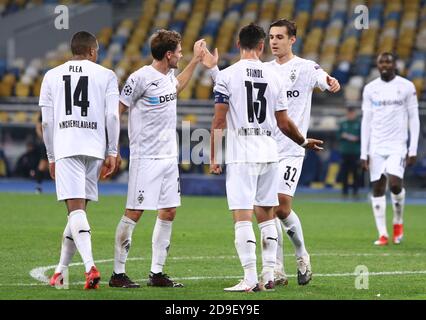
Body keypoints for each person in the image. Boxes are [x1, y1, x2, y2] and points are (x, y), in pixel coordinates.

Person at [203, 19, 340, 286]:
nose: (275, 41)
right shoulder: (265, 71)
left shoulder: (304, 67)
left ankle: (301, 255)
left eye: (280, 37)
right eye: (272, 37)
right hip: (267, 148)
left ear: (292, 40)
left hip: (290, 148)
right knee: (264, 209)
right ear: (264, 43)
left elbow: (321, 76)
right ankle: (276, 269)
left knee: (279, 205)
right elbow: (231, 86)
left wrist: (329, 80)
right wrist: (212, 69)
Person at [109, 30, 206, 288]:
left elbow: (177, 87)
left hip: (168, 157)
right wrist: (114, 148)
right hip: (145, 157)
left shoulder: (169, 76)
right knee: (135, 211)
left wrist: (196, 61)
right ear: (168, 54)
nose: (182, 55)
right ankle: (118, 274)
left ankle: (157, 273)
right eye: (180, 52)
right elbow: (118, 110)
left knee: (169, 211)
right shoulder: (140, 78)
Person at [39, 31, 120, 289]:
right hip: (94, 148)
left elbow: (47, 121)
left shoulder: (51, 76)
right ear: (93, 51)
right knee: (78, 212)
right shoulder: (107, 75)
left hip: (66, 147)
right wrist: (113, 151)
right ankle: (60, 270)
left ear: (72, 50)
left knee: (75, 211)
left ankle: (89, 267)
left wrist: (51, 156)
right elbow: (113, 117)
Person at [361, 52, 420, 246]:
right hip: (376, 146)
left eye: (388, 62)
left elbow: (414, 118)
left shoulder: (406, 87)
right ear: (377, 66)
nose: (384, 65)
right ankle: (383, 234)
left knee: (395, 184)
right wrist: (364, 152)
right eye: (381, 62)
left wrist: (412, 149)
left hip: (398, 145)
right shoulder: (370, 89)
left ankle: (398, 221)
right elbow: (366, 121)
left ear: (395, 65)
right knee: (377, 187)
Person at [338, 107, 361, 197]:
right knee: (344, 172)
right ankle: (344, 191)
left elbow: (362, 136)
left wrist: (356, 138)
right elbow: (338, 135)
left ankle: (355, 191)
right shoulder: (343, 123)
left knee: (355, 172)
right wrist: (343, 136)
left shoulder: (358, 124)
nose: (350, 115)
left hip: (355, 152)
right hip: (345, 152)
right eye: (349, 113)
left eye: (352, 113)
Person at [34, 111, 49, 193]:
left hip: (59, 142)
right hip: (47, 143)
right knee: (43, 164)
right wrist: (44, 138)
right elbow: (38, 127)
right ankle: (38, 186)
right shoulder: (44, 111)